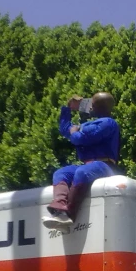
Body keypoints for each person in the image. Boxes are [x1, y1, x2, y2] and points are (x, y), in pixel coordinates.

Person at [42, 92, 120, 232]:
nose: (89, 107)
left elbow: (81, 138)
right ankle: (59, 207)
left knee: (81, 172)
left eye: (92, 104)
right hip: (88, 165)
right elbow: (66, 130)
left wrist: (75, 132)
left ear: (99, 107)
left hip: (105, 165)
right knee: (61, 173)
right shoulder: (86, 125)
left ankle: (68, 214)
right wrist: (68, 109)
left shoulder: (109, 123)